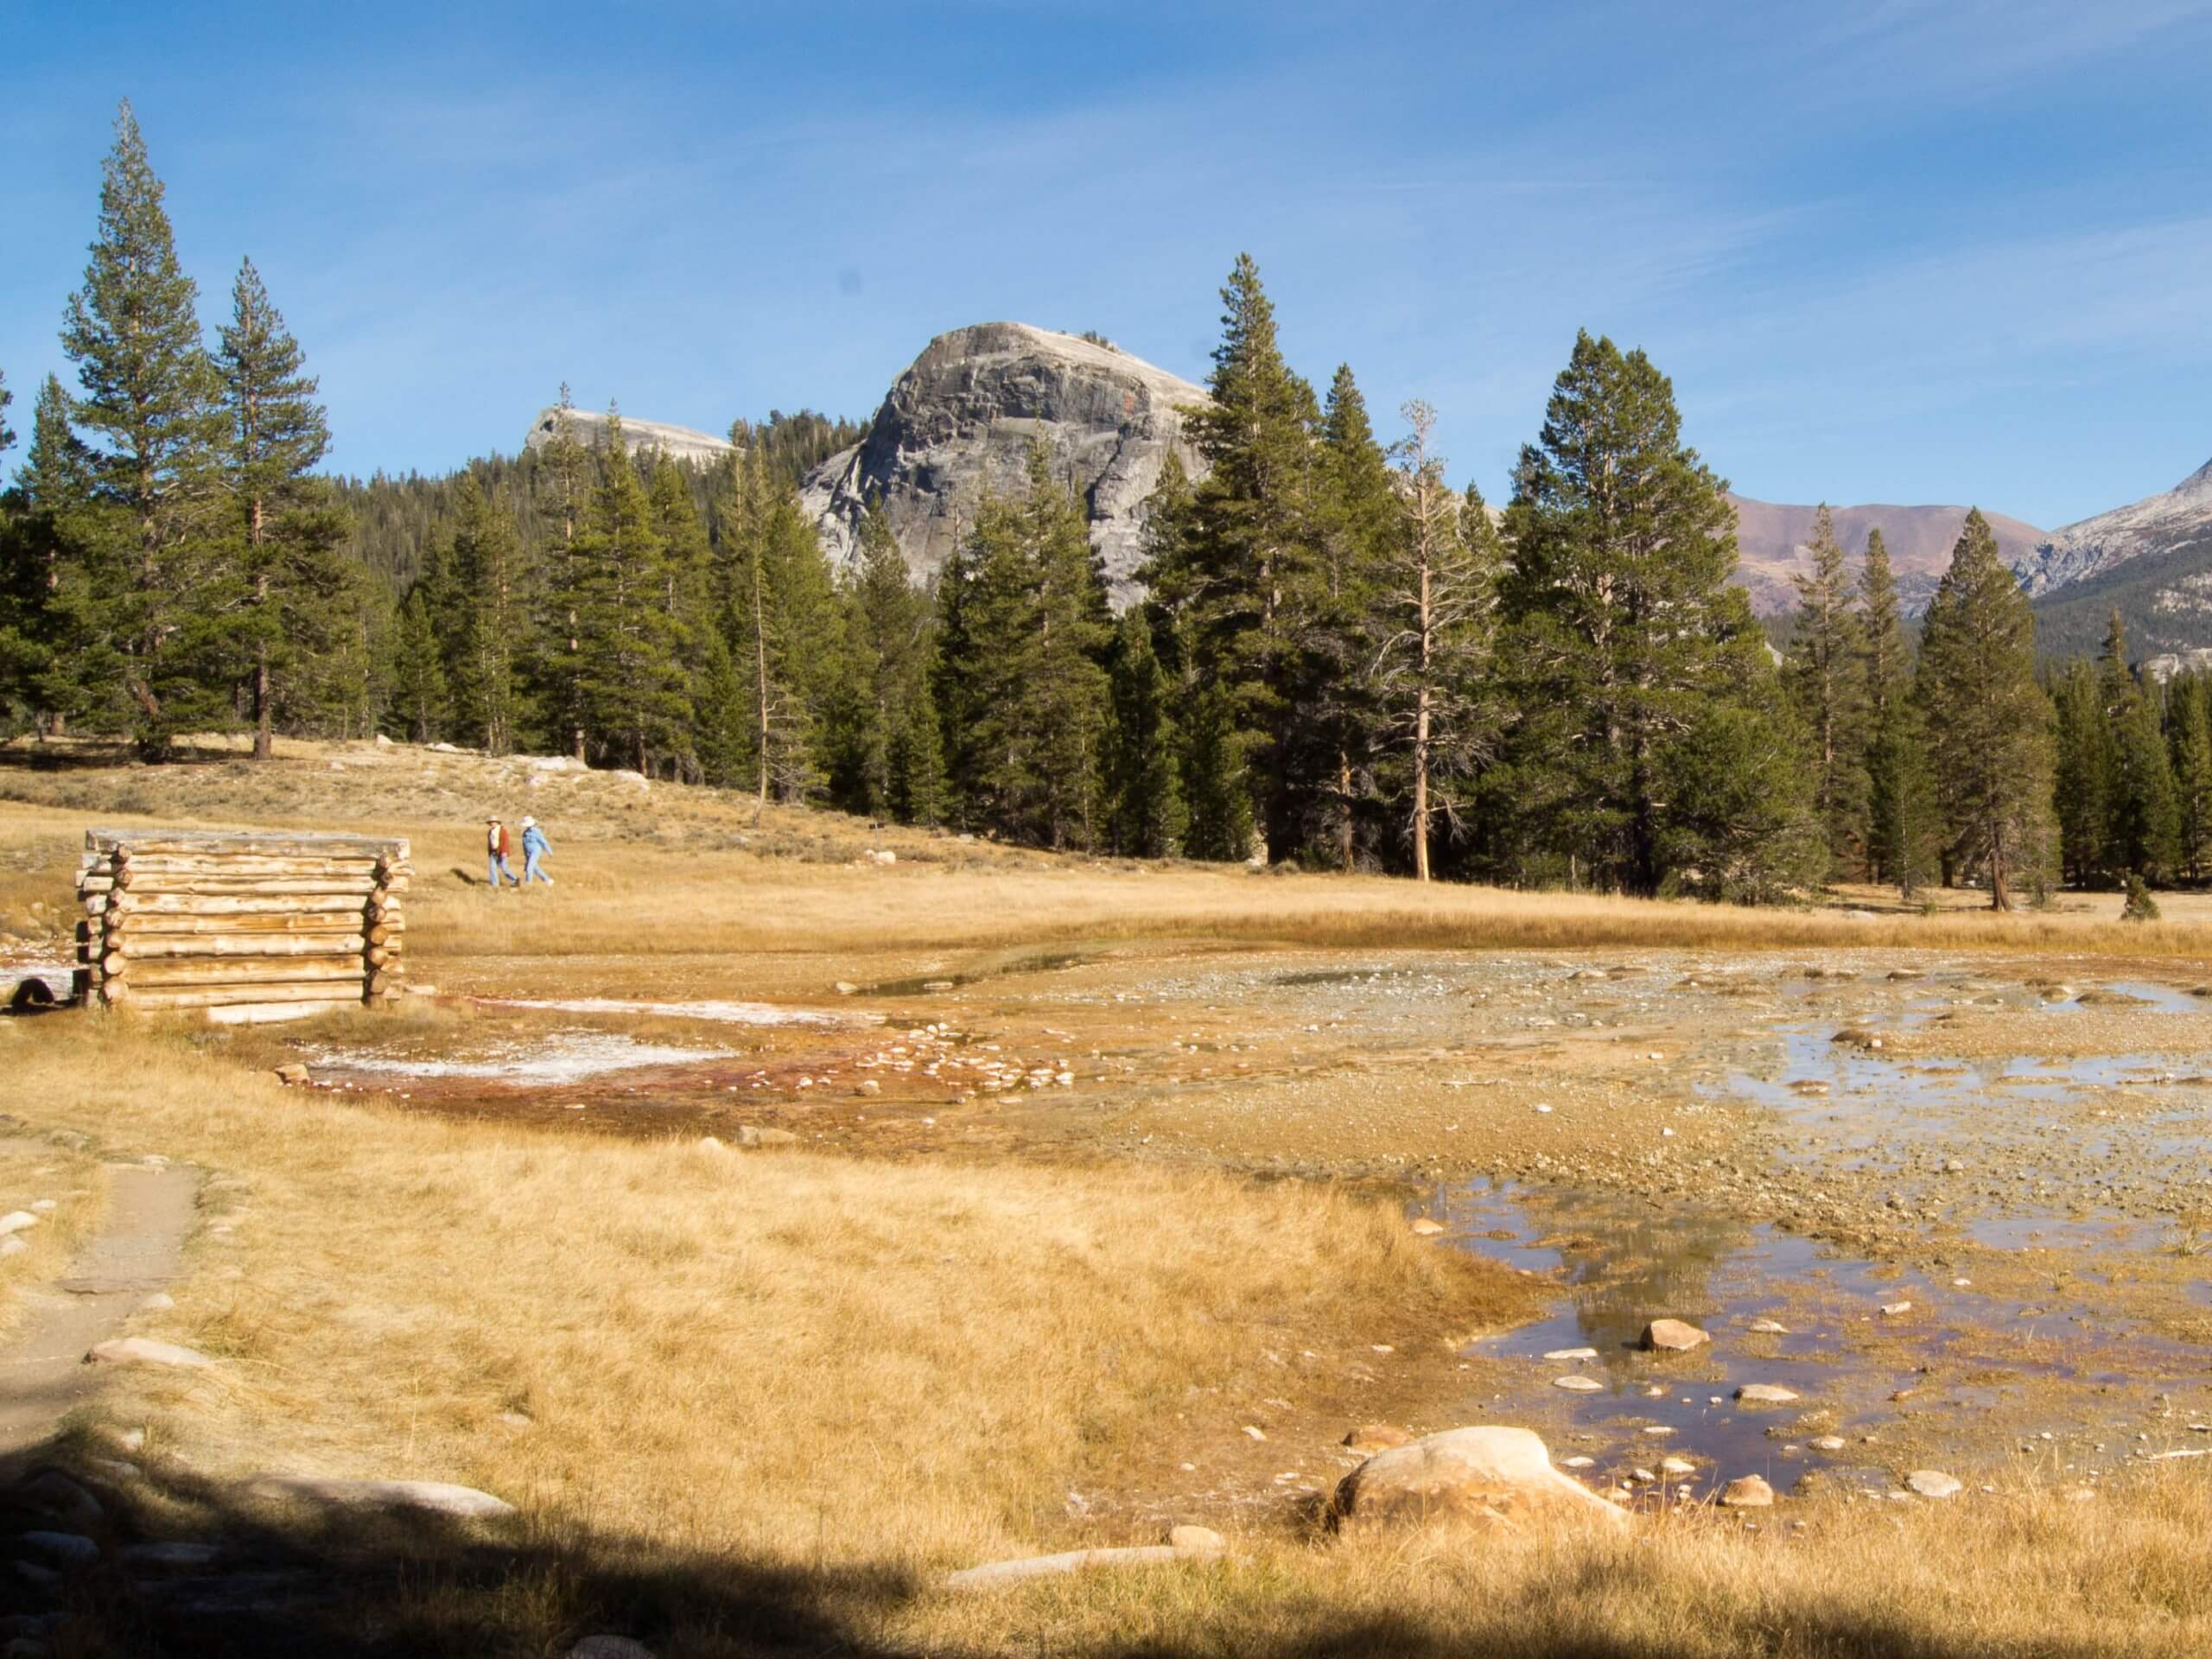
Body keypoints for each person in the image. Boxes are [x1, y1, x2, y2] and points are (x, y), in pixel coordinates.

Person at [519, 816, 554, 886]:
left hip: (535, 852)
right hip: (528, 853)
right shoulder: (525, 833)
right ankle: (547, 880)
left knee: (529, 868)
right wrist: (526, 856)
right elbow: (524, 846)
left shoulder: (536, 831)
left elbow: (543, 842)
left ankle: (528, 884)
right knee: (535, 868)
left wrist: (549, 851)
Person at [486, 817, 518, 888]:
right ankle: (495, 885)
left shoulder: (503, 831)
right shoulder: (490, 832)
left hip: (502, 852)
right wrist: (490, 852)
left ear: (497, 822)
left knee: (504, 868)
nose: (491, 823)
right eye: (490, 822)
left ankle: (515, 879)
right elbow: (490, 843)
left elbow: (505, 842)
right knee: (492, 868)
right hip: (493, 853)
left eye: (493, 822)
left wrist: (504, 852)